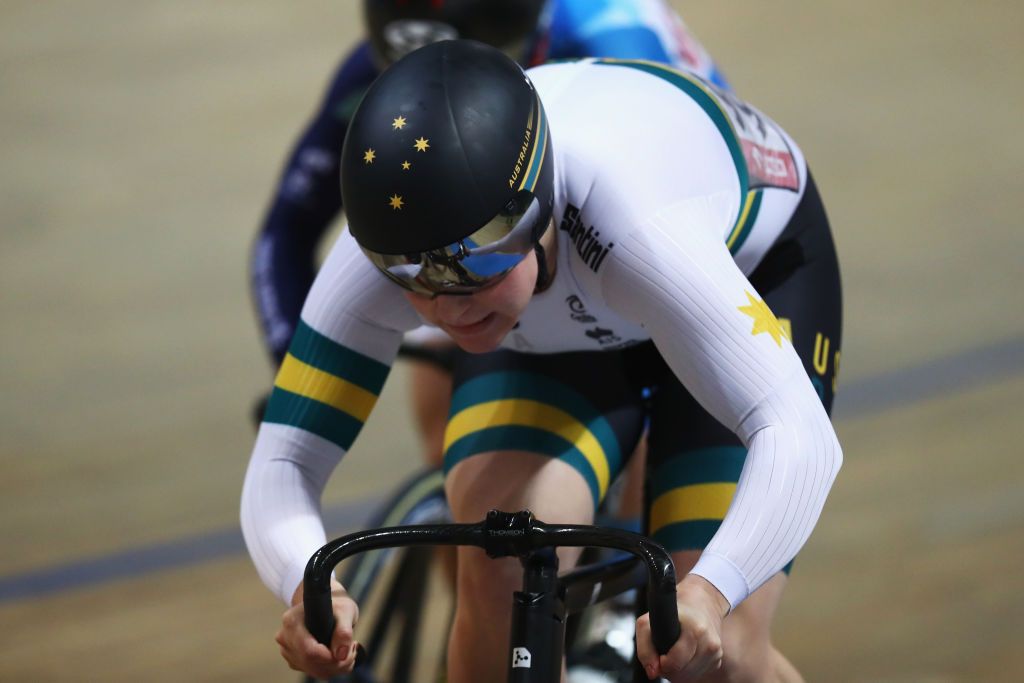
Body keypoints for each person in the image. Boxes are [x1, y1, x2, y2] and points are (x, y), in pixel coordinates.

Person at [242, 40, 842, 683]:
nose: (449, 308)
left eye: (478, 260)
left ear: (538, 204)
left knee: (718, 652)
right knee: (505, 560)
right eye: (412, 275)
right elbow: (284, 461)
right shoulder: (381, 259)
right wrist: (308, 586)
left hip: (750, 270)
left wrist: (712, 591)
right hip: (562, 320)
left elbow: (799, 434)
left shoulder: (640, 228)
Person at [249, 0, 729, 465]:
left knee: (645, 441)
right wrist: (294, 365)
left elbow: (665, 211)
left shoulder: (610, 36)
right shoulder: (380, 70)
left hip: (656, 208)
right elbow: (286, 231)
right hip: (489, 243)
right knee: (449, 447)